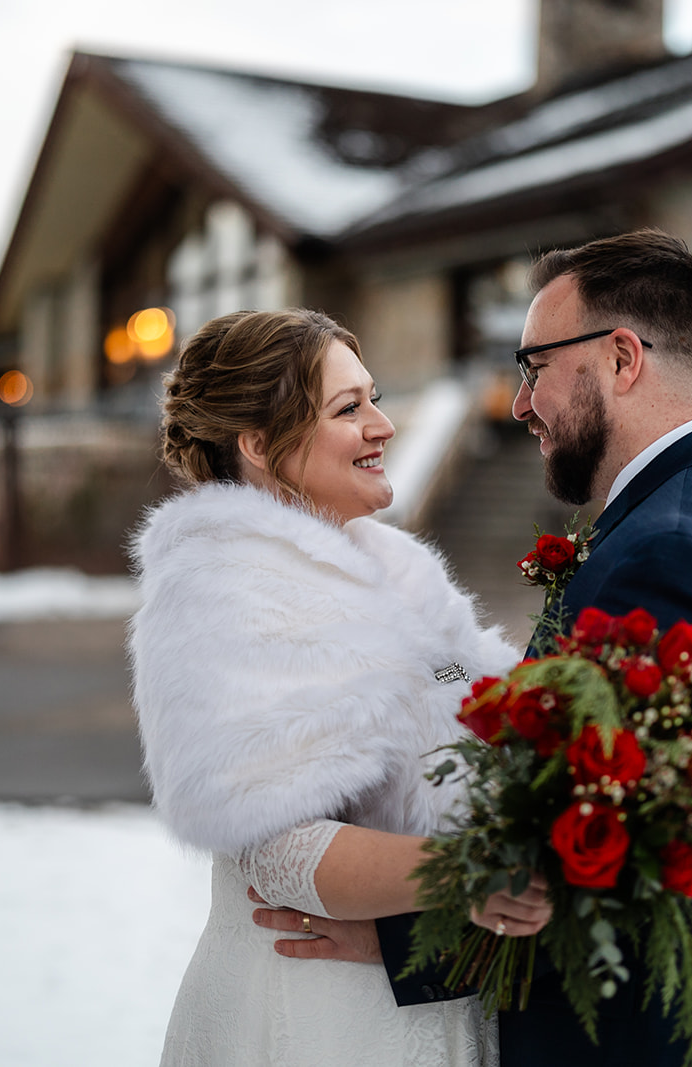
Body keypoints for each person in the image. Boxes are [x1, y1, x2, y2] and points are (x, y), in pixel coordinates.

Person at [359, 229, 692, 1064]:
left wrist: (387, 939)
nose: (519, 403)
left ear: (622, 358)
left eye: (534, 367)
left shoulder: (675, 548)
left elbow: (604, 845)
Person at [130, 307, 549, 1067]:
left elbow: (467, 697)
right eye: (348, 408)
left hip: (426, 981)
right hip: (314, 1008)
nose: (382, 425)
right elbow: (274, 848)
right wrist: (467, 873)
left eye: (373, 399)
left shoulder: (398, 570)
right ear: (260, 444)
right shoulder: (221, 590)